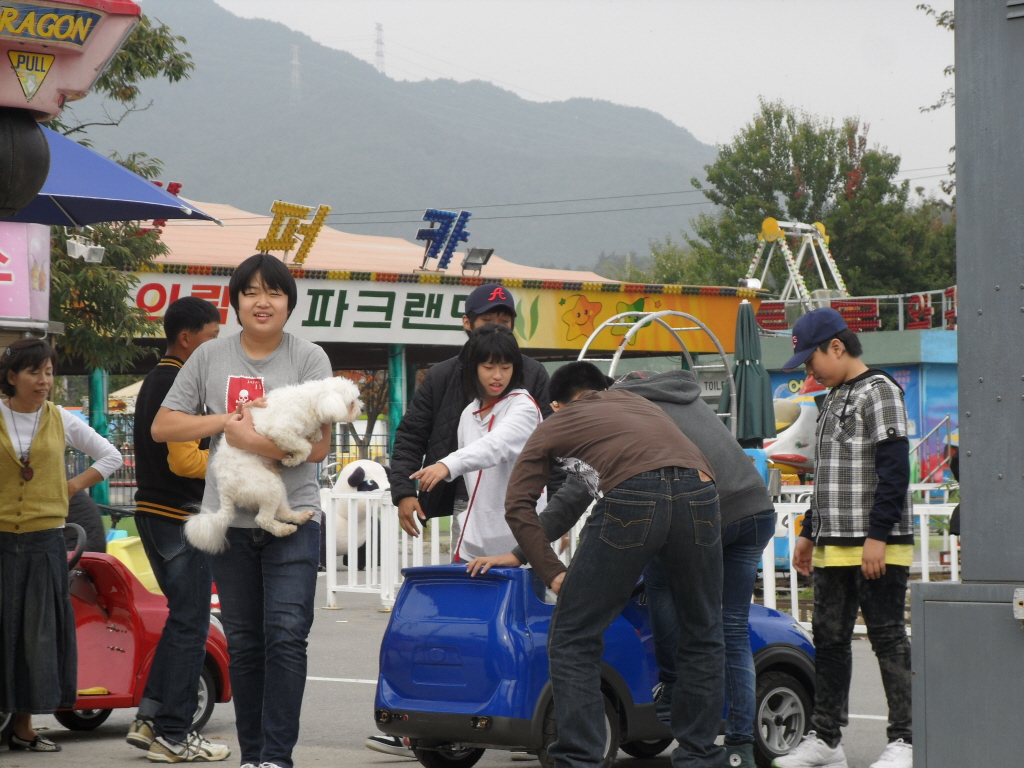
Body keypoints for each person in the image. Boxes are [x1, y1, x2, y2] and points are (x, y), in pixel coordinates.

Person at [469, 368, 774, 768]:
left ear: (557, 405)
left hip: (634, 497)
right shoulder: (639, 404)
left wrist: (552, 572)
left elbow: (518, 505)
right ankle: (700, 755)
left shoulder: (557, 422)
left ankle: (580, 759)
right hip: (702, 495)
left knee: (573, 636)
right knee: (703, 631)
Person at [152, 254, 334, 768]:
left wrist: (250, 438)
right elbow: (164, 426)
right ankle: (253, 758)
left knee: (286, 637)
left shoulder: (309, 359)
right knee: (247, 644)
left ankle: (277, 757)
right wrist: (223, 424)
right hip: (229, 523)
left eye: (273, 292)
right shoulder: (209, 358)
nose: (262, 301)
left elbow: (318, 449)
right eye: (251, 292)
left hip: (294, 516)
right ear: (234, 302)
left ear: (289, 303)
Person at [370, 283, 554, 758]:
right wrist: (405, 491)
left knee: (533, 629)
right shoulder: (452, 389)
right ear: (467, 326)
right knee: (468, 629)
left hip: (524, 528)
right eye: (487, 323)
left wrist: (445, 465)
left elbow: (507, 444)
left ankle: (540, 719)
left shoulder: (530, 385)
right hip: (466, 522)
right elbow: (412, 433)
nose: (497, 369)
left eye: (505, 325)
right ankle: (451, 719)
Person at [774, 308, 913, 768]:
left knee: (888, 637)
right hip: (833, 542)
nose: (807, 370)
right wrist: (809, 531)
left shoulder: (882, 391)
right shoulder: (832, 397)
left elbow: (894, 470)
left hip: (877, 542)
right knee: (829, 638)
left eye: (809, 360)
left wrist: (878, 536)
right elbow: (826, 475)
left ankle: (906, 740)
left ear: (837, 346)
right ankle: (826, 738)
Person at [0, 338, 122, 753]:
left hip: (45, 541)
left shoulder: (60, 419)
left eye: (49, 372)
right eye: (35, 372)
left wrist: (69, 487)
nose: (44, 380)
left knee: (37, 636)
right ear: (12, 377)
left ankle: (24, 725)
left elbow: (110, 457)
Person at [126, 296, 228, 762]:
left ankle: (150, 719)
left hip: (151, 511)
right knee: (192, 624)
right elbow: (186, 460)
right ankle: (174, 732)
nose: (216, 345)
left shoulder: (155, 379)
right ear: (187, 338)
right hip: (179, 517)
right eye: (211, 336)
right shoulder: (180, 382)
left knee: (182, 620)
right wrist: (235, 461)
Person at [411, 324, 542, 562]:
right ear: (472, 368)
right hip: (473, 540)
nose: (498, 376)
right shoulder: (469, 413)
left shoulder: (523, 406)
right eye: (488, 367)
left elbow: (496, 445)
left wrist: (448, 464)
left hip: (520, 542)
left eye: (506, 367)